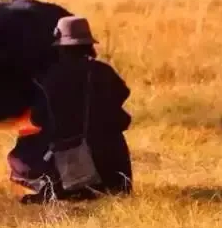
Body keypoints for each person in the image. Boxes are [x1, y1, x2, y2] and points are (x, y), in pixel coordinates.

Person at [7, 15, 133, 204]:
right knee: (113, 137)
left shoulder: (49, 78)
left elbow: (38, 119)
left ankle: (57, 188)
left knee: (23, 149)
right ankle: (110, 186)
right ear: (88, 43)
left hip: (66, 166)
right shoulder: (103, 72)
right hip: (110, 170)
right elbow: (121, 101)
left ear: (61, 46)